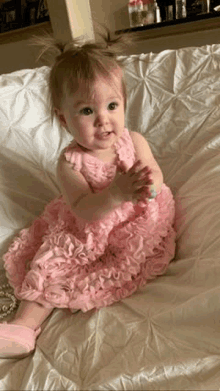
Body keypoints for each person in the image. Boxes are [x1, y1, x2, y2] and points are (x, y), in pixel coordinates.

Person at [0, 29, 176, 358]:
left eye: (112, 105)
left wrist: (148, 184)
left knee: (129, 243)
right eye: (87, 111)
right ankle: (24, 325)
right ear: (63, 119)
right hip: (89, 225)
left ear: (124, 104)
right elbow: (83, 208)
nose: (103, 120)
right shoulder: (70, 164)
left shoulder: (134, 141)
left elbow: (154, 171)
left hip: (132, 223)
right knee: (51, 260)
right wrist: (115, 193)